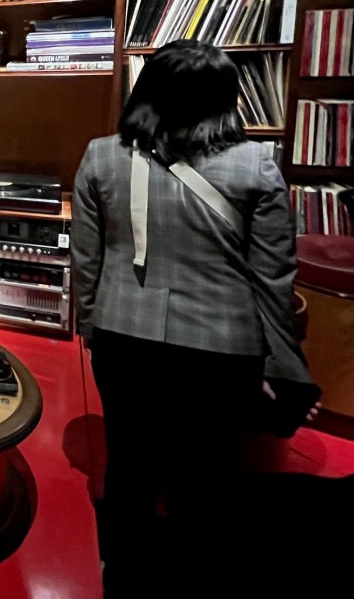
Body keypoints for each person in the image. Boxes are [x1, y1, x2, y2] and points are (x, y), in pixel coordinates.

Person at [70, 39, 319, 598]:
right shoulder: (256, 164)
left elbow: (85, 260)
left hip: (122, 336)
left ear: (146, 91)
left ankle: (123, 572)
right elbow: (275, 276)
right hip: (223, 347)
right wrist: (279, 354)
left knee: (129, 465)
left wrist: (90, 326)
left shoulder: (101, 156)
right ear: (226, 97)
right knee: (204, 477)